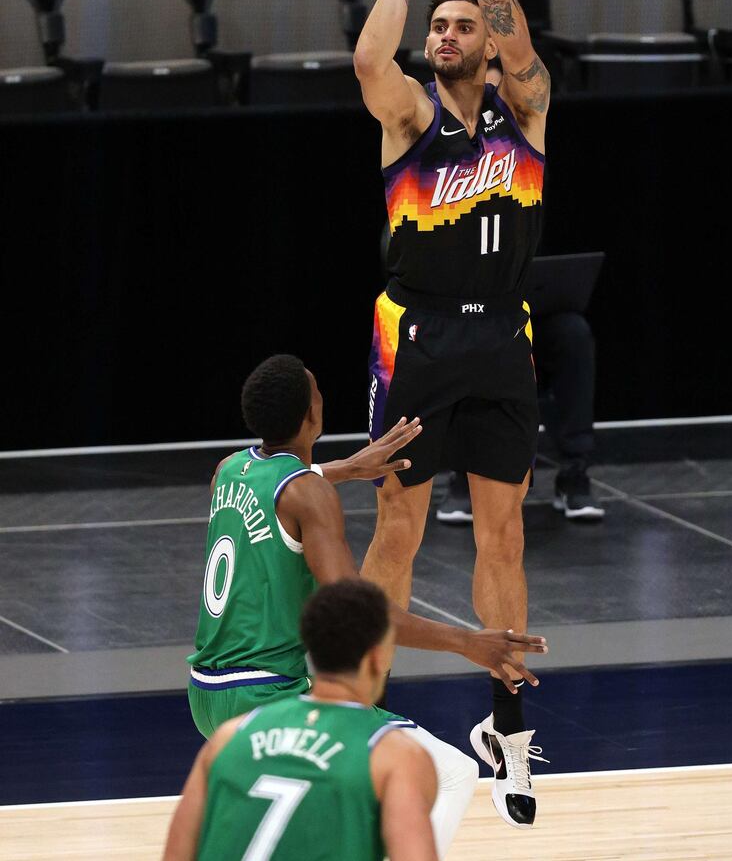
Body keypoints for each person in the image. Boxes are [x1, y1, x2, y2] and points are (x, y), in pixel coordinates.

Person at [353, 0, 550, 826]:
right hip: (419, 341)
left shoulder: (524, 114)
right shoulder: (406, 116)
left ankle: (506, 732)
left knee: (504, 535)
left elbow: (523, 45)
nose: (444, 33)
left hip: (500, 344)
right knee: (399, 528)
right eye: (436, 25)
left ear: (487, 45)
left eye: (459, 23)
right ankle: (365, 715)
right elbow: (364, 61)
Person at [187, 353, 548, 854]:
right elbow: (359, 619)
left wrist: (344, 469)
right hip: (268, 694)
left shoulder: (227, 471)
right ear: (311, 415)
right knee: (452, 775)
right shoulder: (310, 495)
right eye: (315, 389)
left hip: (205, 693)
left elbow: (283, 486)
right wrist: (469, 643)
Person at [163, 579, 438, 861]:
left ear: (310, 648)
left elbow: (175, 856)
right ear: (378, 658)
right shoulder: (395, 756)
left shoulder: (228, 737)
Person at [438, 307, 603, 522]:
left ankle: (574, 472)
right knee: (471, 333)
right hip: (484, 313)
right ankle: (465, 475)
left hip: (542, 316)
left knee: (574, 332)